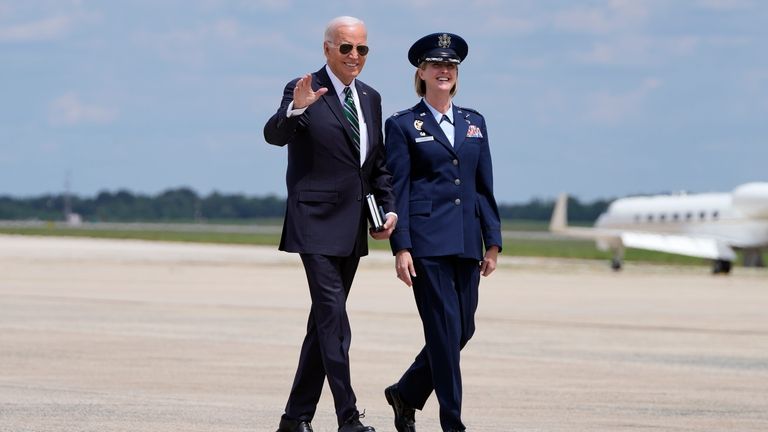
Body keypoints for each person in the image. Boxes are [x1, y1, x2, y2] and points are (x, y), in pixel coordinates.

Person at [263, 16, 396, 432]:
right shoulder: (304, 88)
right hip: (314, 223)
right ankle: (348, 418)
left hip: (354, 225)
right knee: (335, 321)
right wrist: (297, 107)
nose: (354, 56)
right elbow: (274, 134)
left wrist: (386, 209)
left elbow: (377, 167)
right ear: (327, 49)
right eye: (346, 48)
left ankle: (294, 418)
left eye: (362, 49)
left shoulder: (371, 98)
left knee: (322, 325)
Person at [382, 32, 502, 432]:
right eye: (436, 65)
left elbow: (482, 186)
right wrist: (402, 247)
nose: (444, 71)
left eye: (450, 66)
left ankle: (407, 393)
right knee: (444, 331)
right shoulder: (401, 124)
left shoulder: (474, 123)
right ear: (422, 72)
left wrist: (493, 241)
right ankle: (452, 422)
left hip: (468, 241)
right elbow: (398, 188)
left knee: (462, 328)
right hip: (427, 244)